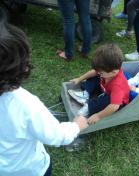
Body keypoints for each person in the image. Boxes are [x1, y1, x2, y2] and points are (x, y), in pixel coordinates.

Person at [0, 8, 88, 176]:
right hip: (29, 170)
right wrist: (76, 125)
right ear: (22, 67)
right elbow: (57, 136)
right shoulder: (26, 105)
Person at [69, 44, 130, 124]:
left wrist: (98, 116)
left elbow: (114, 106)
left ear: (113, 72)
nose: (99, 73)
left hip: (116, 102)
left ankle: (89, 107)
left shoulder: (117, 86)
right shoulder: (108, 72)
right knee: (95, 77)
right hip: (105, 90)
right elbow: (94, 72)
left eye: (101, 72)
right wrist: (79, 79)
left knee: (106, 100)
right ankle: (86, 94)